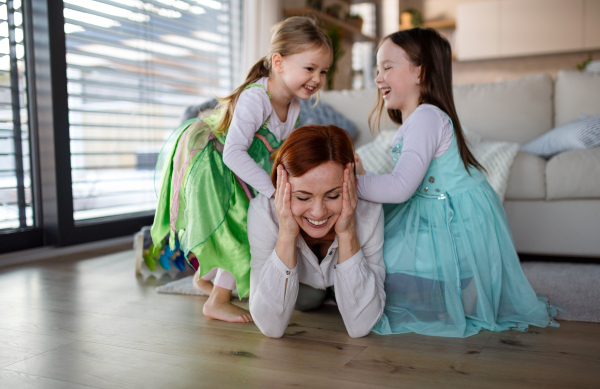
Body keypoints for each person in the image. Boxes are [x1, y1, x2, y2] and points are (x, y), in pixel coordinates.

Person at [355, 28, 563, 337]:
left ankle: (462, 282)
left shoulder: (426, 117)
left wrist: (353, 183)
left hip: (457, 223)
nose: (377, 78)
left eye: (387, 67)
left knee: (380, 256)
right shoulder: (418, 118)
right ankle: (458, 286)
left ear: (420, 72)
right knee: (380, 249)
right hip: (440, 211)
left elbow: (400, 187)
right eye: (376, 70)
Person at [151, 17, 333, 323]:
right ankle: (217, 301)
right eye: (310, 68)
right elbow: (234, 153)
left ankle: (204, 279)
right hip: (217, 164)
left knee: (247, 226)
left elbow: (278, 152)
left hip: (241, 168)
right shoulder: (256, 98)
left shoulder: (295, 106)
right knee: (241, 231)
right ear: (279, 62)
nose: (317, 77)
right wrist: (273, 190)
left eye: (323, 71)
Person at [247, 125, 386, 338]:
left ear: (350, 186)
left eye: (333, 196)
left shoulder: (370, 210)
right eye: (303, 197)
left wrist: (347, 231)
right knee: (307, 300)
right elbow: (270, 327)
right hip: (304, 288)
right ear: (282, 187)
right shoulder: (263, 212)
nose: (319, 212)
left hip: (343, 273)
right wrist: (286, 234)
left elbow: (361, 326)